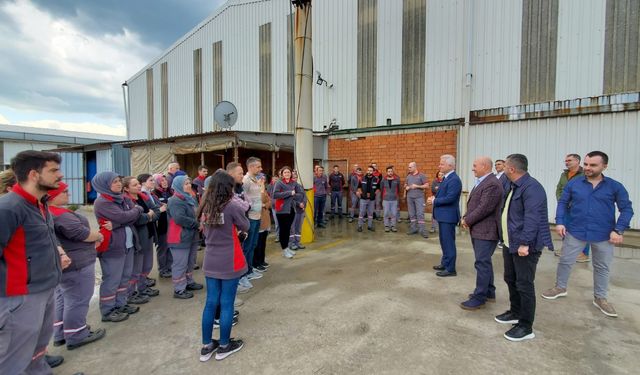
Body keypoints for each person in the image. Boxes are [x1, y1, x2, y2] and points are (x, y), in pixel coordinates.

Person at [0, 151, 70, 374]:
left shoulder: (40, 203)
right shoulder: (9, 208)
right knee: (15, 359)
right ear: (33, 174)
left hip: (45, 287)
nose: (60, 175)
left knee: (38, 350)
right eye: (53, 170)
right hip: (21, 296)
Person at [542, 151, 633, 318]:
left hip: (604, 234)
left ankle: (600, 298)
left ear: (604, 166)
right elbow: (563, 202)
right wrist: (560, 221)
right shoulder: (574, 184)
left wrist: (618, 230)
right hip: (576, 231)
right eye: (586, 164)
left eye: (593, 165)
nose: (588, 168)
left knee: (602, 267)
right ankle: (560, 287)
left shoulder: (615, 186)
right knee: (565, 261)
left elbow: (627, 209)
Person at [494, 154, 553, 342]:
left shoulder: (532, 188)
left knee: (525, 284)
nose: (502, 169)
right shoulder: (513, 185)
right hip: (511, 242)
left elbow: (532, 218)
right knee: (511, 278)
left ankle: (526, 326)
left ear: (511, 169)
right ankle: (515, 312)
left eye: (504, 166)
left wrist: (525, 243)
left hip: (524, 245)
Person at [48, 181, 107, 349]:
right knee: (77, 299)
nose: (69, 194)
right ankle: (76, 334)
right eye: (64, 192)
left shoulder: (47, 213)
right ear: (52, 196)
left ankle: (61, 333)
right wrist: (98, 235)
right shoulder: (61, 215)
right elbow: (81, 234)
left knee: (63, 298)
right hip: (77, 262)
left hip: (66, 263)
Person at [197, 171, 249, 362]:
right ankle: (225, 345)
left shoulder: (205, 205)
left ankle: (206, 345)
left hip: (210, 259)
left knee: (211, 302)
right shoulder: (231, 206)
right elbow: (246, 226)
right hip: (229, 259)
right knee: (227, 303)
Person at [93, 171, 143, 322]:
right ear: (105, 185)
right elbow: (126, 216)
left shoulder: (121, 199)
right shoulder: (103, 202)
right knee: (112, 279)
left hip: (127, 244)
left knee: (125, 277)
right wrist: (137, 209)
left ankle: (121, 304)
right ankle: (108, 311)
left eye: (119, 180)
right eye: (114, 182)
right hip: (113, 246)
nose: (119, 184)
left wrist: (115, 224)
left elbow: (132, 217)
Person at [459, 157, 504, 310]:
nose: (473, 168)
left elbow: (485, 208)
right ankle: (489, 292)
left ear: (484, 166)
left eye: (474, 165)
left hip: (486, 230)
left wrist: (467, 220)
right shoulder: (485, 181)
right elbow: (476, 204)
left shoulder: (491, 184)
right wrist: (467, 217)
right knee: (485, 261)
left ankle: (480, 297)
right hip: (479, 229)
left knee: (482, 263)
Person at [167, 175, 204, 299]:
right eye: (185, 184)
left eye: (189, 183)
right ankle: (179, 289)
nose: (188, 185)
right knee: (180, 263)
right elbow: (179, 218)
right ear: (178, 186)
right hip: (179, 237)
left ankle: (188, 282)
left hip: (190, 235)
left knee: (189, 262)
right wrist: (196, 224)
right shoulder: (175, 200)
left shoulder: (188, 198)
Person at [428, 155, 462, 277]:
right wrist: (435, 198)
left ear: (450, 165)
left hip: (448, 217)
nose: (439, 166)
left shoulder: (454, 180)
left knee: (448, 243)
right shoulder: (447, 178)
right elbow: (444, 194)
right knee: (444, 242)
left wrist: (435, 201)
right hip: (443, 216)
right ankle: (445, 263)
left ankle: (451, 268)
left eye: (442, 164)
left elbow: (450, 198)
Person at [554, 154, 589, 261]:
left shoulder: (585, 174)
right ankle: (567, 249)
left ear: (577, 161)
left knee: (581, 229)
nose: (567, 162)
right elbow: (559, 188)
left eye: (569, 160)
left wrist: (573, 202)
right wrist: (562, 200)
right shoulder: (564, 174)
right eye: (566, 161)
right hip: (565, 206)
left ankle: (583, 253)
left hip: (579, 207)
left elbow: (586, 191)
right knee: (565, 227)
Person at [272, 166, 303, 258]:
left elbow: (300, 194)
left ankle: (287, 248)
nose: (287, 174)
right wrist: (289, 193)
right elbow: (275, 195)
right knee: (283, 231)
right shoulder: (279, 183)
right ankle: (284, 250)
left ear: (291, 174)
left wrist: (294, 196)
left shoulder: (294, 183)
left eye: (288, 172)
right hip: (281, 211)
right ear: (282, 174)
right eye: (285, 172)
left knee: (288, 230)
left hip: (291, 210)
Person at [242, 157, 263, 283]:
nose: (261, 169)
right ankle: (246, 272)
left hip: (257, 215)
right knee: (248, 246)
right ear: (250, 167)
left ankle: (250, 268)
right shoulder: (246, 181)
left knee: (253, 244)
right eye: (258, 167)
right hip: (250, 217)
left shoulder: (255, 179)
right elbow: (243, 199)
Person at [152, 174, 173, 278]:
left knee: (170, 247)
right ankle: (162, 269)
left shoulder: (171, 191)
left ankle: (170, 267)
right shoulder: (154, 194)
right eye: (162, 180)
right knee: (163, 248)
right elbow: (156, 208)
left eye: (166, 180)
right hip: (162, 224)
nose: (165, 182)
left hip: (172, 223)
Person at [405, 162, 429, 238]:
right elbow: (405, 184)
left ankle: (422, 230)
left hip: (419, 198)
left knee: (420, 213)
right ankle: (413, 229)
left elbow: (427, 185)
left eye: (410, 167)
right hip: (410, 197)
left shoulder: (421, 175)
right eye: (408, 167)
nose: (409, 169)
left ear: (415, 167)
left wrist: (417, 186)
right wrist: (406, 187)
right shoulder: (408, 176)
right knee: (411, 214)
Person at [253, 173, 271, 271]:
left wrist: (265, 205)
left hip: (265, 218)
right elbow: (261, 201)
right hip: (259, 219)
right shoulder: (256, 190)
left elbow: (269, 202)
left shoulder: (264, 190)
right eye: (261, 179)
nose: (263, 181)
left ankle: (262, 260)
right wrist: (262, 190)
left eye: (264, 179)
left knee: (263, 242)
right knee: (257, 243)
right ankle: (256, 262)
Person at [356, 166, 380, 232]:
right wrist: (361, 194)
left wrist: (374, 194)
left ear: (373, 171)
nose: (369, 171)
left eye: (371, 170)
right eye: (368, 170)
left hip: (372, 200)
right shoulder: (362, 178)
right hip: (363, 199)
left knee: (370, 213)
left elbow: (378, 188)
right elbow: (359, 187)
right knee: (361, 213)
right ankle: (360, 226)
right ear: (367, 171)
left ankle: (369, 226)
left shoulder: (376, 179)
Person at [289, 170, 306, 251]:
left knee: (298, 227)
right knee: (292, 228)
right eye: (293, 177)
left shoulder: (299, 186)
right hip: (293, 210)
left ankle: (297, 242)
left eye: (296, 177)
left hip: (301, 211)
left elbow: (304, 196)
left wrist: (303, 204)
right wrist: (299, 204)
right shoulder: (288, 187)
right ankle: (291, 243)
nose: (295, 179)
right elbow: (290, 199)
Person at [381, 166, 400, 232]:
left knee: (394, 214)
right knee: (386, 213)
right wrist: (383, 197)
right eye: (389, 171)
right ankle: (386, 226)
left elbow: (398, 189)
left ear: (393, 172)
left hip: (394, 200)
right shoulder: (383, 179)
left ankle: (393, 226)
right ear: (386, 172)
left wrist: (396, 196)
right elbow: (381, 189)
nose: (390, 173)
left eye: (391, 171)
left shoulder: (396, 179)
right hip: (386, 200)